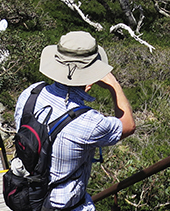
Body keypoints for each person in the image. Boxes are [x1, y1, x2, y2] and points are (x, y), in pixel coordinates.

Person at [14, 31, 135, 211]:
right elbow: (128, 125)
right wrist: (114, 85)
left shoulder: (30, 94)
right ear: (92, 74)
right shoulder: (89, 122)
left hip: (27, 197)